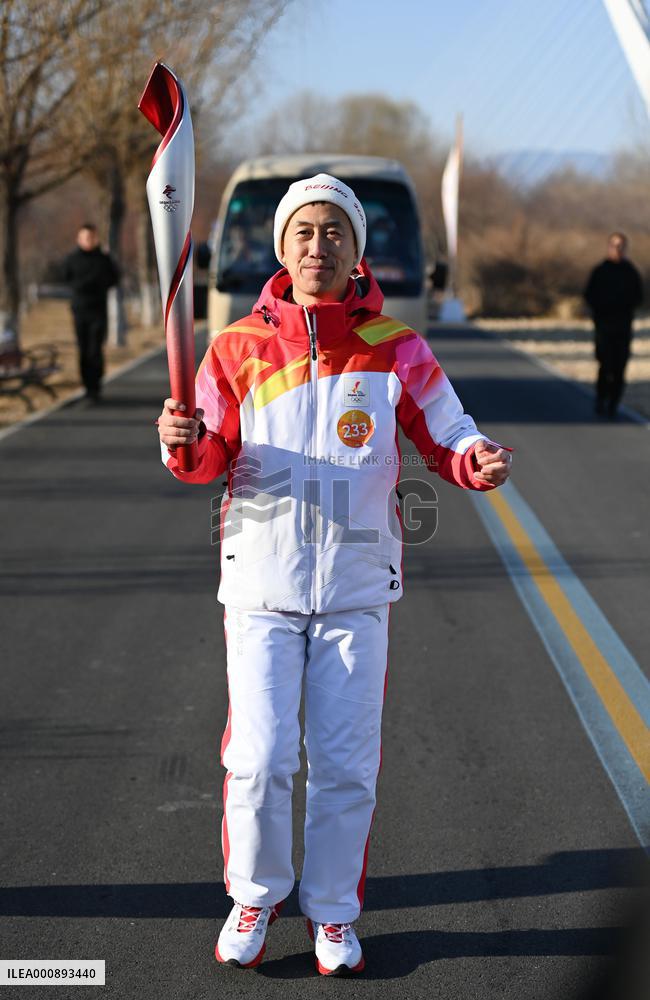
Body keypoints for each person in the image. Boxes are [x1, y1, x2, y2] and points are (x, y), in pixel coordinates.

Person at [156, 174, 512, 976]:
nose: (320, 246)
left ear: (356, 251)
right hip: (261, 589)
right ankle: (254, 895)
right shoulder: (235, 348)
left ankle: (333, 913)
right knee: (260, 757)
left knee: (347, 764)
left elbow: (448, 436)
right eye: (304, 233)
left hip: (356, 590)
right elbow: (203, 457)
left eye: (335, 233)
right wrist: (181, 440)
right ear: (282, 249)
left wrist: (476, 460)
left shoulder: (395, 347)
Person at [584, 232, 643, 418]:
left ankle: (613, 404)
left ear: (625, 249)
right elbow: (589, 295)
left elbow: (638, 297)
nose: (617, 249)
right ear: (609, 247)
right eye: (614, 245)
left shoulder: (630, 271)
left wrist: (624, 307)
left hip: (623, 327)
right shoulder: (600, 270)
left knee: (619, 367)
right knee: (604, 364)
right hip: (603, 327)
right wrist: (600, 311)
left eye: (620, 246)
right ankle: (601, 400)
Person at [63, 223, 119, 403]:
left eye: (91, 237)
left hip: (98, 310)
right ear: (79, 239)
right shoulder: (71, 259)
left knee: (95, 348)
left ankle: (96, 385)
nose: (88, 241)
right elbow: (65, 278)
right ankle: (86, 386)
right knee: (83, 348)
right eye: (85, 238)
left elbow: (113, 278)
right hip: (80, 310)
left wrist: (96, 285)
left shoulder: (103, 259)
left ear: (96, 238)